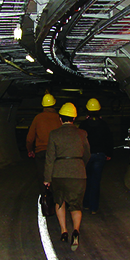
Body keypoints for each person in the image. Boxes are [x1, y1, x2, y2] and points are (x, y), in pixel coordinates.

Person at [43, 102, 91, 251]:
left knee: (60, 202)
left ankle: (64, 231)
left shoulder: (54, 134)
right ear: (74, 118)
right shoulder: (82, 134)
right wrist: (79, 165)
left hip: (59, 173)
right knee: (76, 205)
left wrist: (47, 178)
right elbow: (87, 154)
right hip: (78, 173)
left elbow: (49, 158)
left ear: (60, 118)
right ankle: (76, 230)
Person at [79, 98, 113, 214]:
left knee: (86, 180)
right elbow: (109, 139)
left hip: (87, 155)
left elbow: (80, 140)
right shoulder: (103, 124)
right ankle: (94, 207)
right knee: (96, 181)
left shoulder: (83, 124)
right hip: (100, 155)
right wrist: (108, 153)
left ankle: (86, 204)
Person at [26, 93, 62, 198]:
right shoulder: (59, 118)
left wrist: (30, 150)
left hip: (41, 152)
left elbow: (29, 138)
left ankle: (46, 200)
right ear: (54, 104)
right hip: (56, 153)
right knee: (56, 177)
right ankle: (58, 201)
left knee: (43, 178)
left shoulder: (38, 118)